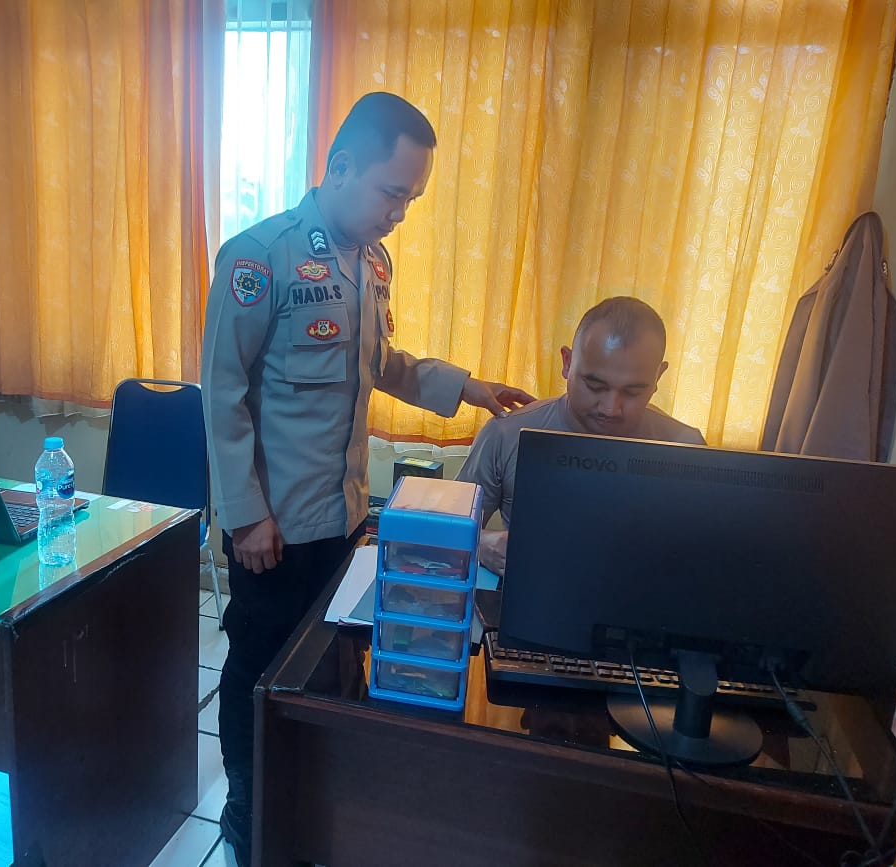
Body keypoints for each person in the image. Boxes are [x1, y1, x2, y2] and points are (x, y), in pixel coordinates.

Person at [200, 91, 535, 866]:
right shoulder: (258, 257)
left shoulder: (370, 263)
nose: (400, 213)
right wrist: (245, 516)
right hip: (272, 527)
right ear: (343, 166)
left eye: (411, 198)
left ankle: (310, 797)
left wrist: (466, 386)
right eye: (393, 192)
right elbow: (220, 395)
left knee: (327, 662)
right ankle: (247, 803)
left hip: (343, 515)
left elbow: (379, 361)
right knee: (256, 667)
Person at [456, 296, 704, 576]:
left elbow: (707, 558)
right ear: (567, 362)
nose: (610, 408)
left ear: (658, 377)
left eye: (632, 392)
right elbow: (443, 533)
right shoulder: (507, 434)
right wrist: (482, 544)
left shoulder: (686, 449)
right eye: (595, 386)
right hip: (536, 592)